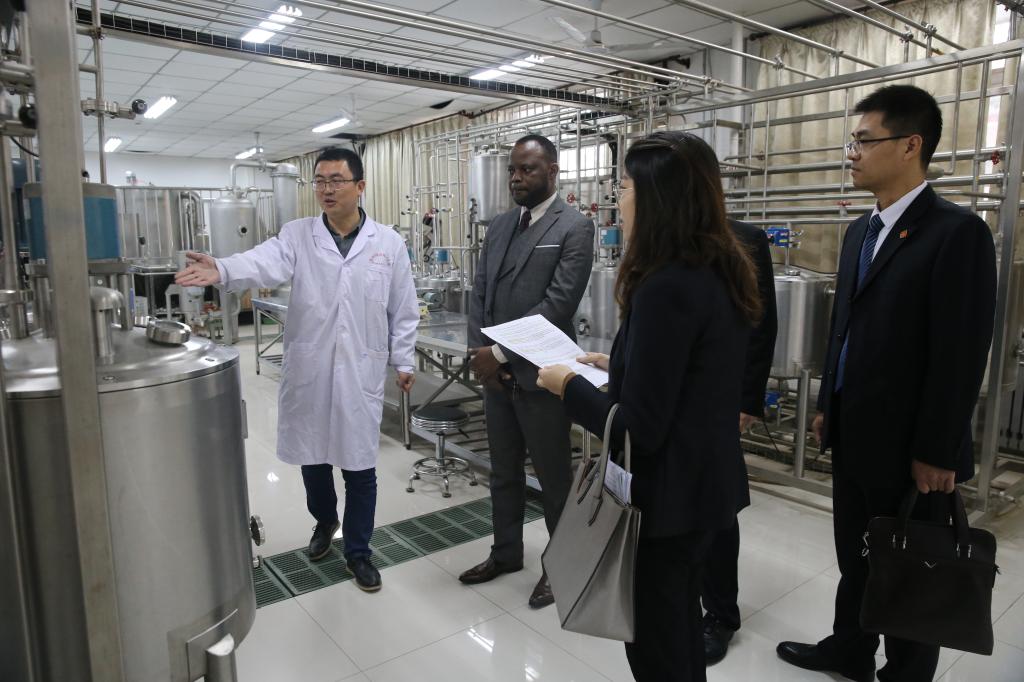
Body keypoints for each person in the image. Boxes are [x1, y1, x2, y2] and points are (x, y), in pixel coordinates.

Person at [776, 85, 996, 682]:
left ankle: (906, 674)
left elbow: (960, 355)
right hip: (855, 434)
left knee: (911, 569)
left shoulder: (956, 233)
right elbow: (846, 330)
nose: (851, 153)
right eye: (852, 141)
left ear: (910, 145)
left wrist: (937, 450)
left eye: (864, 140)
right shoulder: (860, 232)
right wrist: (830, 406)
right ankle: (849, 650)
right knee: (858, 556)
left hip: (912, 450)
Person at [537, 131, 762, 681]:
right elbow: (695, 375)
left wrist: (568, 386)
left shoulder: (666, 286)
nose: (619, 198)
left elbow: (639, 427)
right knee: (678, 627)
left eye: (626, 186)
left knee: (658, 645)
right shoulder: (719, 267)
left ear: (660, 198)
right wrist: (618, 364)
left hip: (668, 498)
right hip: (705, 485)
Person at [175, 147, 419, 593]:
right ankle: (325, 521)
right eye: (320, 181)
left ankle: (359, 551)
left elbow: (403, 307)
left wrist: (404, 359)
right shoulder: (298, 235)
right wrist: (223, 268)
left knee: (360, 467)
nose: (326, 189)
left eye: (336, 180)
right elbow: (261, 260)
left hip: (360, 370)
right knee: (313, 457)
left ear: (360, 187)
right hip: (311, 367)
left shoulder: (387, 244)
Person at [460, 134, 594, 608]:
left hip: (543, 378)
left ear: (553, 171)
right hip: (497, 379)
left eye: (527, 169)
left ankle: (561, 569)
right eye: (512, 170)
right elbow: (480, 293)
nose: (516, 178)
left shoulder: (575, 226)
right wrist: (480, 353)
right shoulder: (500, 226)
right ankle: (506, 553)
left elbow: (558, 305)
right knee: (503, 472)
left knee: (554, 479)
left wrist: (498, 355)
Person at [702, 218, 778, 664]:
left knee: (717, 508)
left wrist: (749, 399)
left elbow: (761, 322)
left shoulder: (744, 239)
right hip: (668, 403)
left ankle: (720, 615)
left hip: (718, 402)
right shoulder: (655, 238)